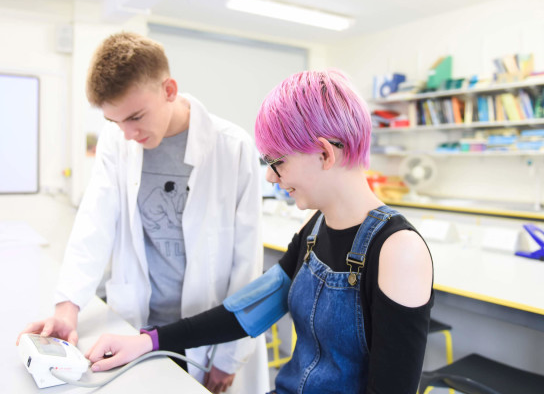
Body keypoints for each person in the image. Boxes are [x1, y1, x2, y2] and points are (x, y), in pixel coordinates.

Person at [85, 69, 434, 393]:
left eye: (277, 162)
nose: (269, 176)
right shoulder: (315, 229)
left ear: (325, 154)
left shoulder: (398, 250)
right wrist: (148, 341)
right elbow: (245, 310)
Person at [17, 32, 269, 394]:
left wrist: (229, 358)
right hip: (138, 327)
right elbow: (94, 222)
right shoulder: (117, 141)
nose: (128, 133)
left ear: (169, 89)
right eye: (115, 121)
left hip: (208, 331)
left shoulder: (232, 146)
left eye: (135, 117)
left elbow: (247, 262)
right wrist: (66, 308)